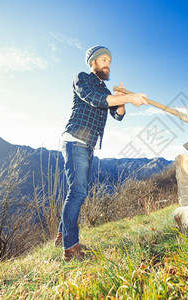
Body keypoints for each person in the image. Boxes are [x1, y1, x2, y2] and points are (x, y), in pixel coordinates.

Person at [55, 45, 148, 262]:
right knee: (78, 192)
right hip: (74, 140)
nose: (108, 64)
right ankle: (70, 249)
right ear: (93, 62)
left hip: (88, 144)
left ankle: (62, 236)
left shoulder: (106, 91)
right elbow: (94, 99)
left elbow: (117, 115)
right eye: (104, 60)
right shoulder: (82, 79)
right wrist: (130, 97)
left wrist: (122, 99)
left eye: (110, 62)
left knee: (77, 191)